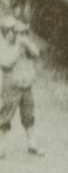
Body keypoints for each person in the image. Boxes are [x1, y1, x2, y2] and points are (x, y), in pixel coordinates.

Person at [0, 17, 40, 157]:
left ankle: (32, 144)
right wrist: (18, 46)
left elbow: (36, 53)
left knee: (28, 115)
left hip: (25, 84)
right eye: (12, 31)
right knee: (5, 116)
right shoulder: (2, 45)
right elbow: (6, 62)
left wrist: (27, 44)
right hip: (11, 86)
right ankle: (1, 146)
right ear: (6, 33)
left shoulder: (22, 43)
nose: (15, 34)